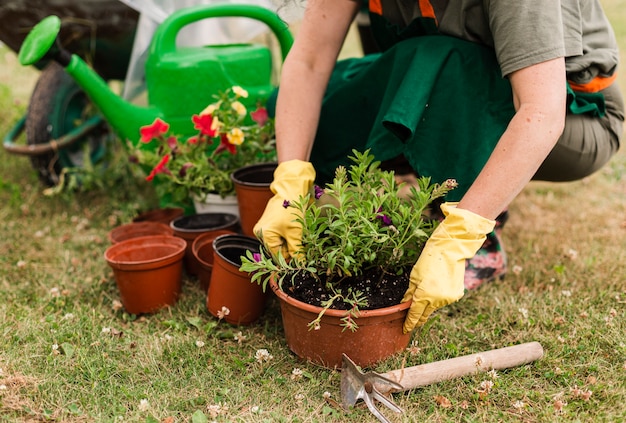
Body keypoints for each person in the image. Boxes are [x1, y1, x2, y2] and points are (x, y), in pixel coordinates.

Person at [254, 0, 624, 333]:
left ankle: (481, 233)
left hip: (578, 116)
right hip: (466, 86)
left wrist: (461, 234)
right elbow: (309, 63)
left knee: (433, 60)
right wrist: (290, 176)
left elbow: (542, 113)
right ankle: (451, 178)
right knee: (310, 102)